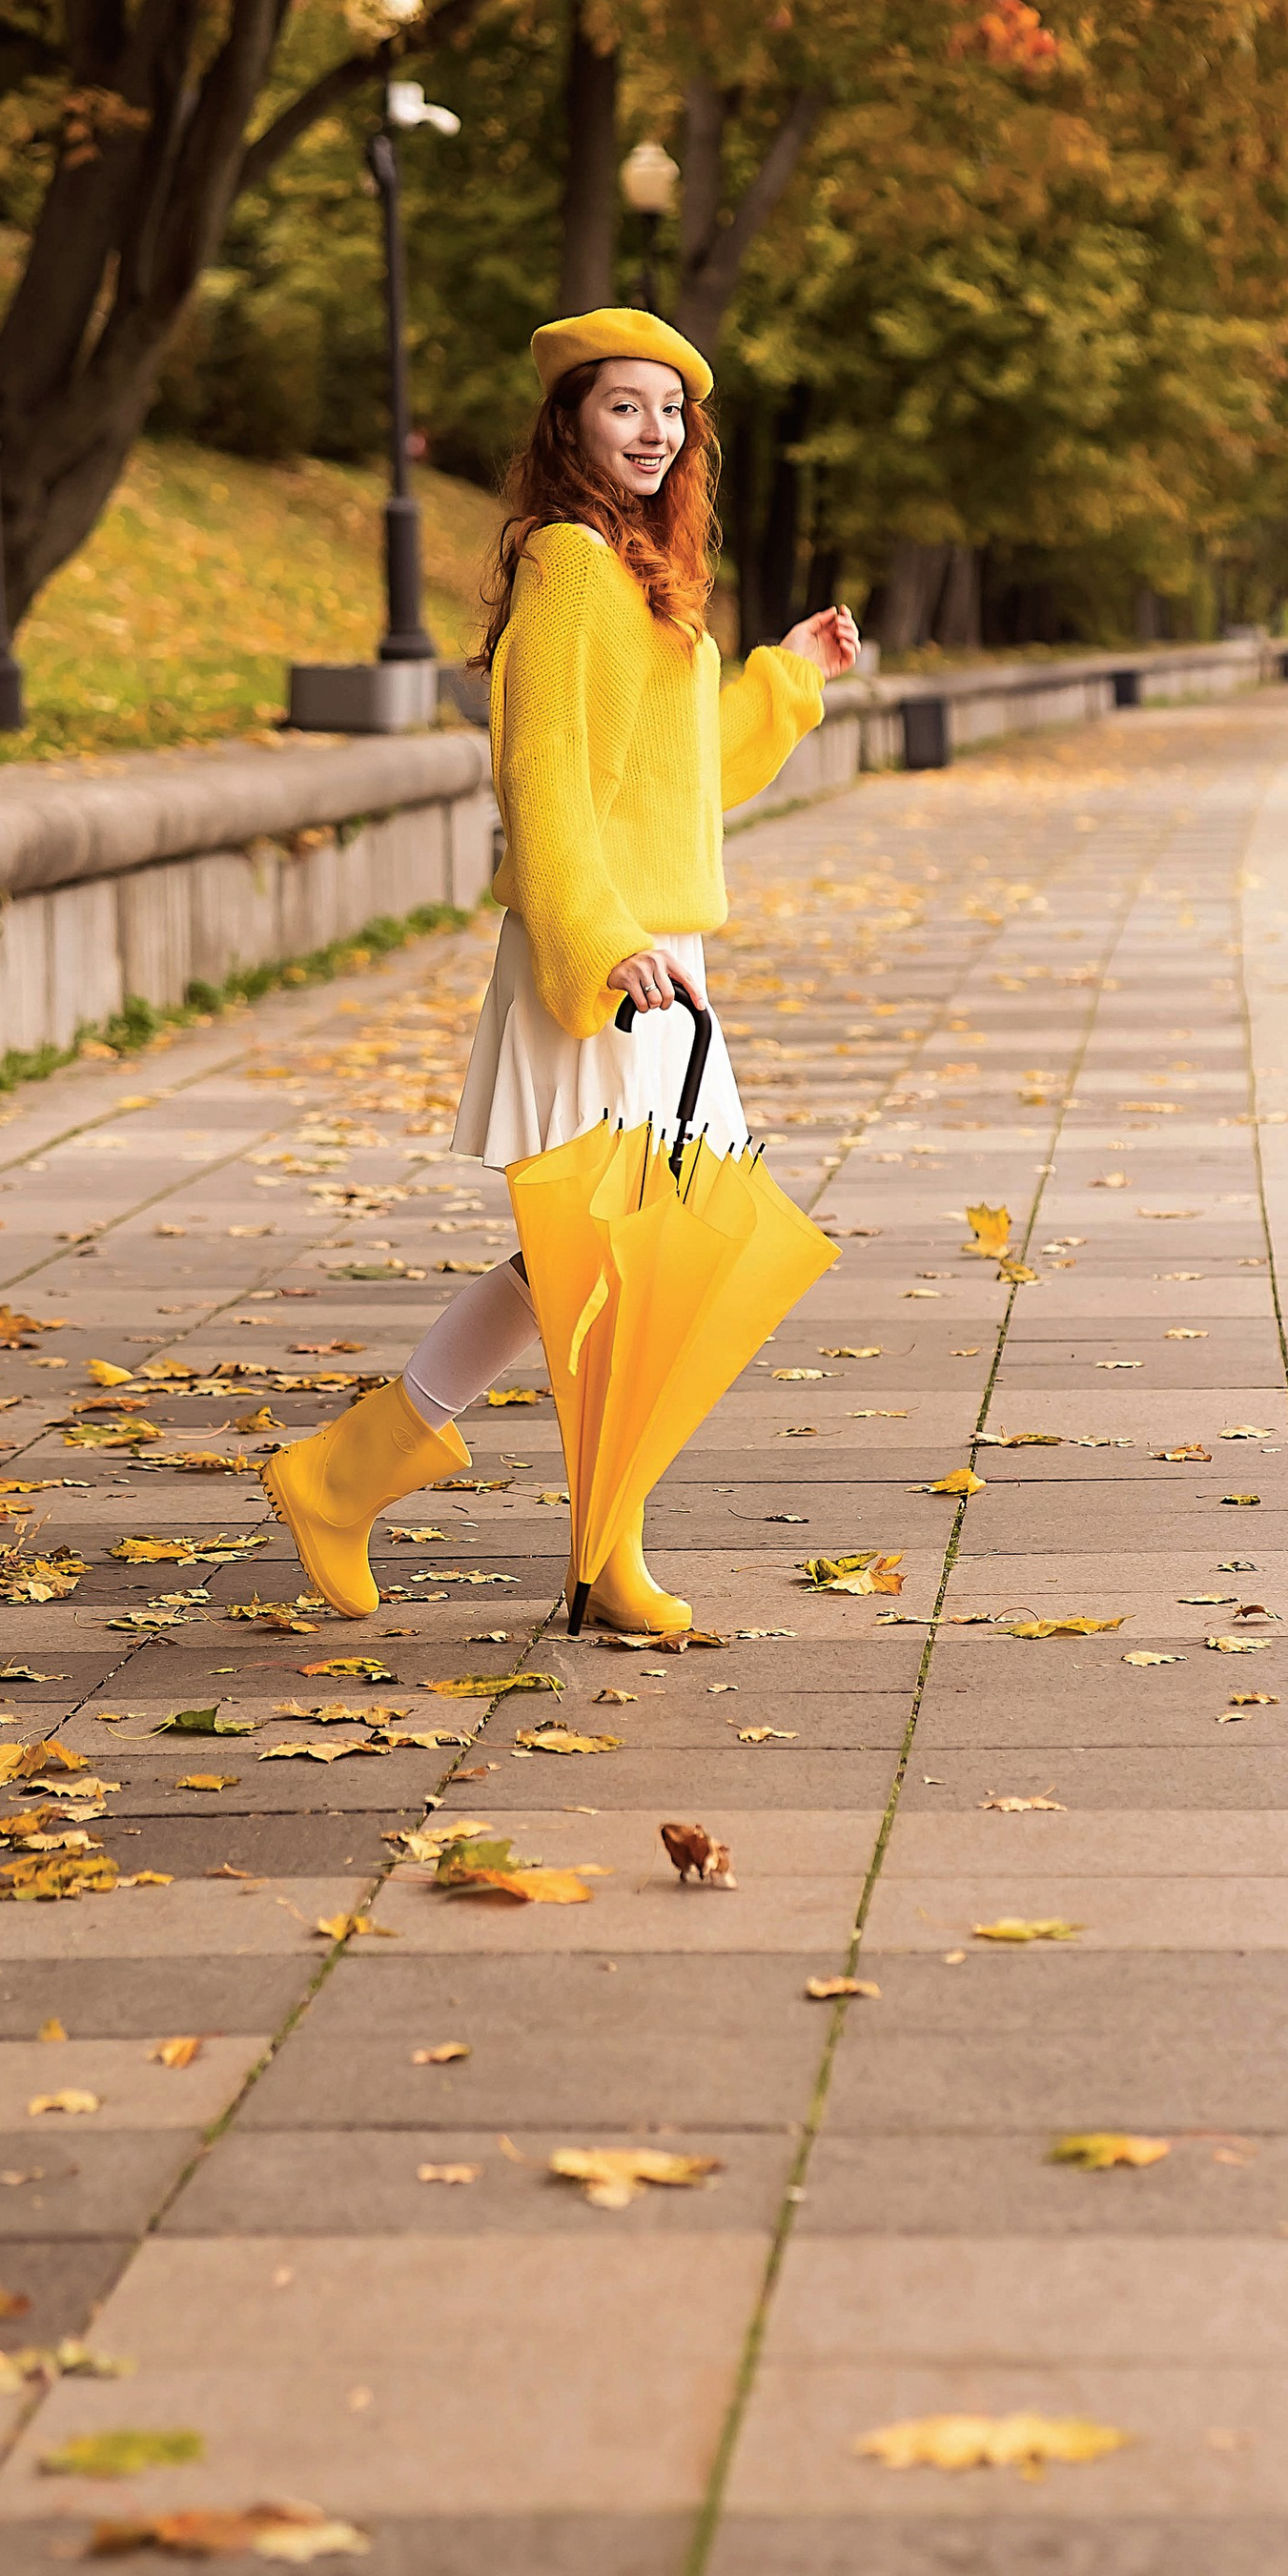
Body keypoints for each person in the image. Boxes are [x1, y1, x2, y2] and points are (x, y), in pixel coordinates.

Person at [264, 305, 856, 1632]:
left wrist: (784, 681)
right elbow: (541, 783)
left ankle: (559, 1540)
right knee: (605, 1255)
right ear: (569, 423)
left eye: (669, 412)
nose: (651, 434)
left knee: (630, 1260)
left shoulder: (642, 568)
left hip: (656, 951)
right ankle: (365, 1479)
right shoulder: (573, 566)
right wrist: (602, 943)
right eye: (622, 408)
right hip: (603, 957)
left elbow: (678, 783)